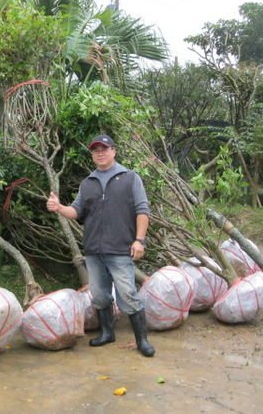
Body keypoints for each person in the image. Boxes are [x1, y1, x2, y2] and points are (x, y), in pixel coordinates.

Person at [46, 134, 155, 357]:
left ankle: (142, 341)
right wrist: (59, 207)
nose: (100, 153)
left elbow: (142, 211)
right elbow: (76, 211)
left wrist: (139, 240)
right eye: (96, 150)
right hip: (94, 251)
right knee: (99, 296)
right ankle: (107, 333)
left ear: (113, 151)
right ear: (92, 155)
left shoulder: (129, 178)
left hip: (121, 249)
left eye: (104, 149)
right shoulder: (88, 183)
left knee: (128, 295)